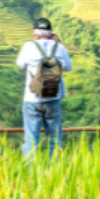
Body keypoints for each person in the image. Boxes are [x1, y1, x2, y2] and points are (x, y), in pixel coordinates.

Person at [16, 18, 72, 159]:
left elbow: (20, 64)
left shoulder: (28, 46)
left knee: (31, 139)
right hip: (53, 98)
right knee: (54, 140)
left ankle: (31, 174)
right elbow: (68, 67)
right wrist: (56, 44)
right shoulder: (59, 47)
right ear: (50, 32)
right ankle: (54, 173)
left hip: (32, 99)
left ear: (34, 32)